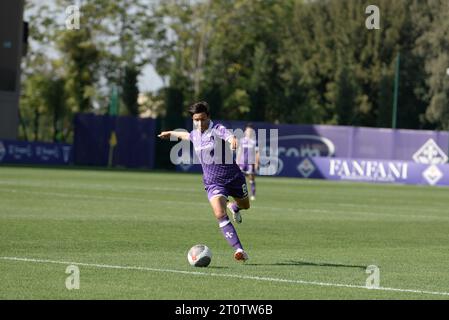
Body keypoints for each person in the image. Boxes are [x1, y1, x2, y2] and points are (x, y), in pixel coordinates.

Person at [158, 101, 250, 262]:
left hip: (234, 178)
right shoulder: (195, 134)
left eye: (202, 119)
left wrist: (233, 139)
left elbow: (228, 135)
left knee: (245, 205)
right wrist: (171, 133)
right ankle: (239, 250)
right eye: (196, 120)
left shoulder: (217, 128)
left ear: (208, 117)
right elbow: (185, 135)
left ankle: (234, 207)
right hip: (213, 183)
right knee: (219, 213)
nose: (199, 123)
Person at [237, 124, 259, 201]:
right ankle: (241, 194)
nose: (249, 132)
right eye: (247, 130)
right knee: (240, 179)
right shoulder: (242, 141)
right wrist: (237, 161)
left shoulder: (254, 142)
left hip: (250, 163)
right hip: (242, 163)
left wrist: (256, 163)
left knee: (251, 179)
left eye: (250, 131)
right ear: (245, 131)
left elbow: (257, 153)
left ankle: (253, 194)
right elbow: (239, 151)